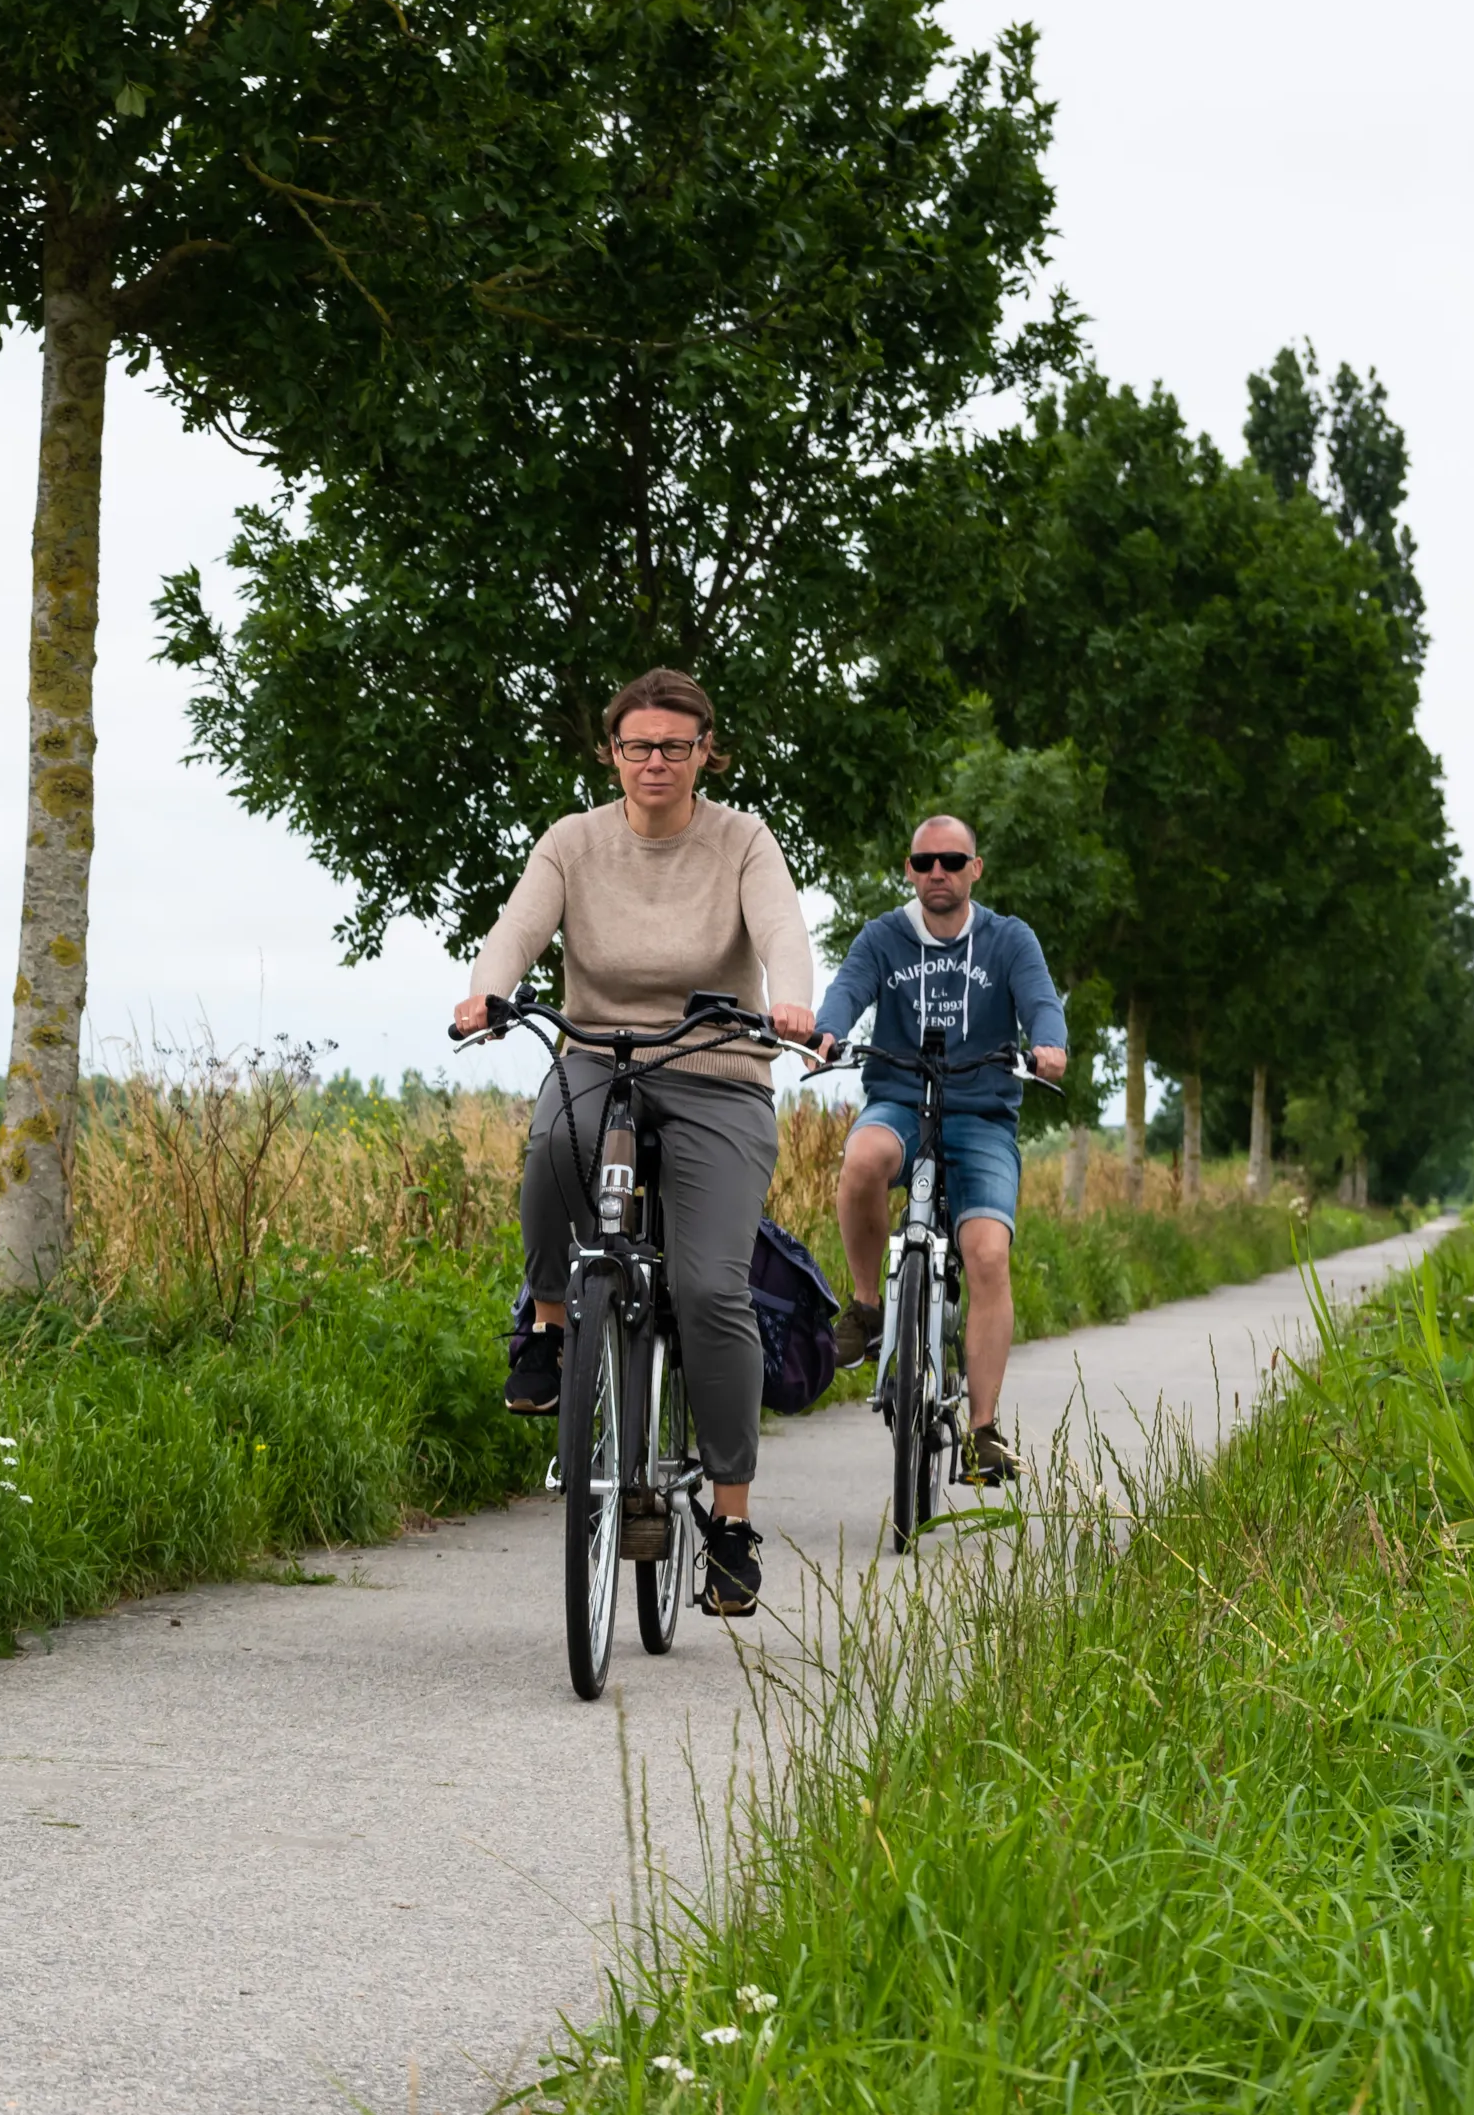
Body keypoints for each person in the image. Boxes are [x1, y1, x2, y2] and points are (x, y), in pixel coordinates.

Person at [453, 670, 819, 1618]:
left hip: (718, 1070)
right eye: (636, 745)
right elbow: (518, 928)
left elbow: (782, 926)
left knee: (709, 1288)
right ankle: (545, 1321)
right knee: (546, 1145)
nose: (654, 762)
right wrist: (489, 990)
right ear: (610, 752)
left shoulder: (742, 839)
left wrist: (792, 1005)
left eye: (674, 746)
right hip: (600, 1055)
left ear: (707, 752)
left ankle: (731, 1525)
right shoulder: (574, 842)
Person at [813, 815, 1070, 1488]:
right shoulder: (883, 937)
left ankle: (983, 1430)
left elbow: (1043, 1003)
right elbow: (846, 992)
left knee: (987, 1252)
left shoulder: (1009, 939)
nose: (938, 872)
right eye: (925, 861)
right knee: (863, 1158)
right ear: (909, 868)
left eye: (952, 860)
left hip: (981, 1110)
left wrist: (1049, 1046)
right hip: (899, 1098)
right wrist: (829, 1030)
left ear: (974, 869)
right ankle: (869, 1308)